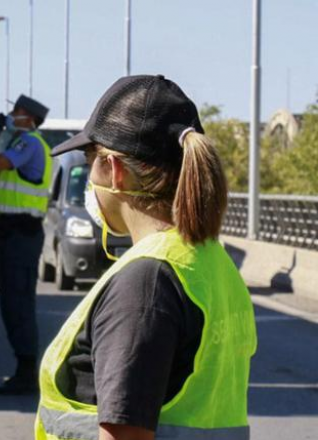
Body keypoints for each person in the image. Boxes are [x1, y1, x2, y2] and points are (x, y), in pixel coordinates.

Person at [35, 75, 257, 440]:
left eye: (91, 159)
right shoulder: (209, 261)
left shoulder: (147, 283)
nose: (90, 176)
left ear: (115, 171)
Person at [0, 95, 52, 395]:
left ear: (28, 117)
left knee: (19, 306)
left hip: (21, 236)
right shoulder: (20, 143)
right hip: (13, 236)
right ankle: (23, 370)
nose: (11, 115)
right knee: (13, 305)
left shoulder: (30, 144)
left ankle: (26, 373)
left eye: (16, 112)